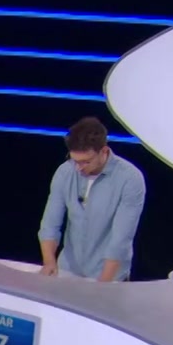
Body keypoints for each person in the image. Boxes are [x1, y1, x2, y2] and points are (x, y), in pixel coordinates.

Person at [37, 117, 146, 282]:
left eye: (86, 162)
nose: (79, 168)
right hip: (68, 271)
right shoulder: (65, 172)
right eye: (75, 161)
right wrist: (49, 262)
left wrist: (102, 285)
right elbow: (50, 224)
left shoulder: (130, 179)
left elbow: (120, 240)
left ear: (104, 151)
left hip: (109, 277)